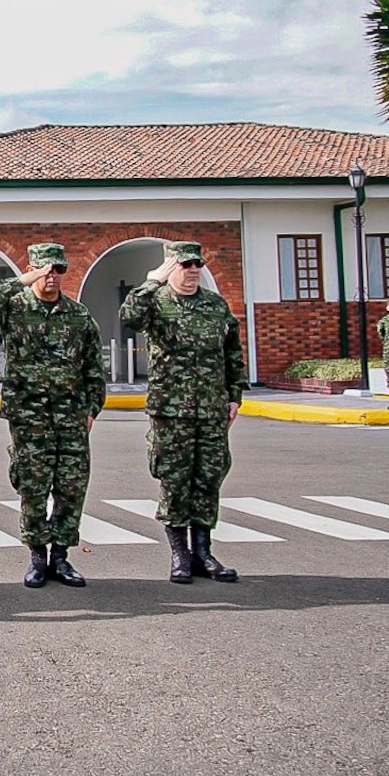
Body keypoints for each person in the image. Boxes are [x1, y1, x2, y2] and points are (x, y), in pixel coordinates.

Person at [0, 243, 106, 588]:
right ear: (33, 268)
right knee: (33, 487)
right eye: (46, 269)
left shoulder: (78, 316)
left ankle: (60, 556)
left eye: (58, 270)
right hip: (28, 415)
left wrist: (92, 408)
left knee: (71, 487)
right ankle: (36, 556)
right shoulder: (15, 308)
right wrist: (22, 280)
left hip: (70, 416)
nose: (52, 276)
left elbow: (94, 368)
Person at [120, 240, 246, 585]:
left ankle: (204, 553)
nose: (192, 271)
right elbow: (129, 317)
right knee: (175, 481)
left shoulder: (214, 305)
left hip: (210, 409)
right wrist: (152, 280)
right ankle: (179, 554)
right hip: (171, 410)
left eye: (196, 266)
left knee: (208, 478)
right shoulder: (157, 302)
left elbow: (232, 353)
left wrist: (234, 395)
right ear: (171, 267)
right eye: (185, 265)